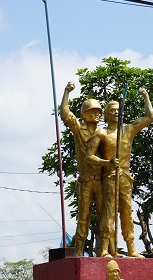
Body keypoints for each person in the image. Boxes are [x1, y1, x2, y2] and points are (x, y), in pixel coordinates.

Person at [87, 88, 153, 258]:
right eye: (112, 110)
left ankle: (131, 247)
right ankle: (104, 249)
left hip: (125, 176)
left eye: (118, 110)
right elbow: (89, 156)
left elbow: (150, 118)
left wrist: (146, 97)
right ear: (106, 115)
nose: (116, 113)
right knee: (109, 212)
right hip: (110, 175)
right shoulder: (101, 133)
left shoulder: (128, 130)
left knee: (126, 212)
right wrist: (107, 163)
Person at [60, 81, 104, 257]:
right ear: (84, 114)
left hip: (101, 180)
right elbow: (65, 114)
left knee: (105, 216)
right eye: (93, 111)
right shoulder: (79, 128)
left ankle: (106, 251)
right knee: (83, 217)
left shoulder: (104, 132)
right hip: (86, 180)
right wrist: (67, 92)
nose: (97, 114)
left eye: (99, 112)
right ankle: (78, 251)